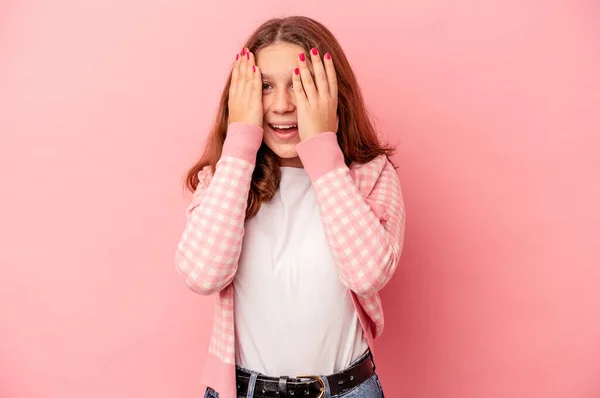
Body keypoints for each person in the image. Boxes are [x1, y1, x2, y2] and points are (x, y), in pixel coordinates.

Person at [175, 15, 406, 398]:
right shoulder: (227, 179)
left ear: (334, 93)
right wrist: (239, 146)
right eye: (264, 86)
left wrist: (321, 150)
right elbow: (202, 275)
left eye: (301, 85)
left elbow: (368, 275)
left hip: (346, 389)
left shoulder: (369, 175)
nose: (282, 105)